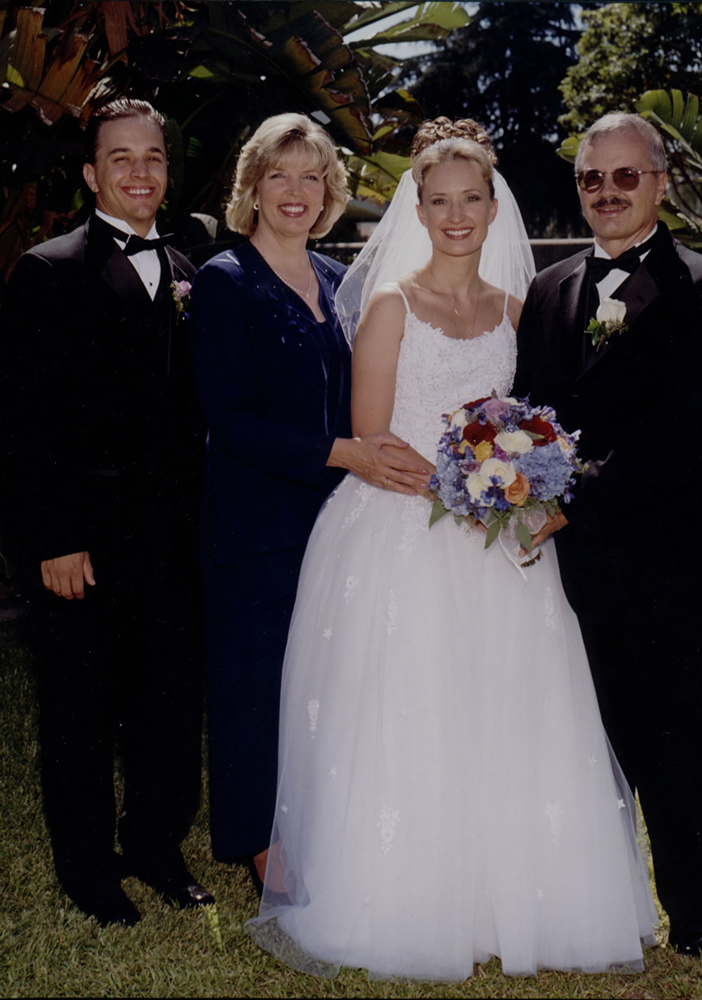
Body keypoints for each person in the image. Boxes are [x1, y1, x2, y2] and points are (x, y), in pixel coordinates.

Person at [244, 118, 657, 981]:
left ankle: (521, 899)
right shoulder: (391, 306)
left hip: (501, 542)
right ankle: (408, 899)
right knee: (413, 711)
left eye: (472, 199)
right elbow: (372, 435)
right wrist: (466, 487)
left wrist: (516, 483)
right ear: (419, 210)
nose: (457, 215)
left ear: (494, 206)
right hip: (402, 533)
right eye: (439, 201)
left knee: (511, 710)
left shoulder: (518, 310)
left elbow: (538, 423)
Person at [514, 112, 702, 957]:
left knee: (670, 734)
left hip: (664, 558)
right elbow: (531, 411)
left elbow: (676, 433)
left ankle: (687, 913)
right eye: (591, 178)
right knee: (590, 735)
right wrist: (510, 480)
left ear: (659, 182)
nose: (606, 192)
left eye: (624, 176)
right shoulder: (549, 289)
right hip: (568, 566)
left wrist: (563, 498)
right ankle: (603, 904)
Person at [188, 114, 430, 893]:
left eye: (312, 176)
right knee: (253, 689)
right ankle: (259, 846)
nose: (296, 192)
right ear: (252, 187)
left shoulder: (336, 278)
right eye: (279, 175)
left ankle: (321, 826)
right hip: (255, 526)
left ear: (329, 192)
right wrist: (344, 454)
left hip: (337, 523)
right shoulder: (225, 280)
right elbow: (229, 418)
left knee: (324, 686)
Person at [0, 98, 213, 927]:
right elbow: (21, 424)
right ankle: (88, 870)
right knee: (80, 709)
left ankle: (157, 847)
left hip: (174, 534)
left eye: (152, 156)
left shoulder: (193, 266)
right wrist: (54, 538)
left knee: (169, 703)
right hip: (83, 536)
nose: (139, 172)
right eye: (120, 158)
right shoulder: (47, 270)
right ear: (91, 174)